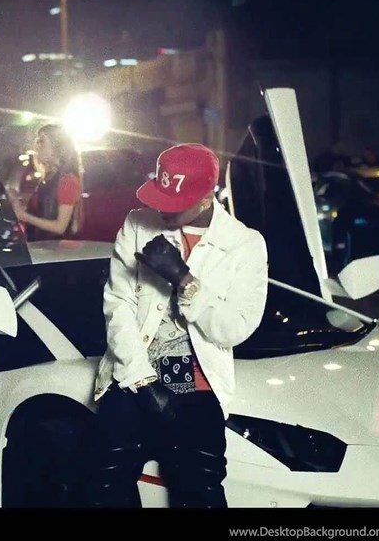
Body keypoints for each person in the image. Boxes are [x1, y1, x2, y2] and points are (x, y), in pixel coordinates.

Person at [82, 143, 269, 508]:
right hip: (134, 372)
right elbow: (118, 306)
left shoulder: (244, 244)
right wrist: (143, 381)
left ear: (205, 199)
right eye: (160, 196)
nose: (162, 209)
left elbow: (235, 328)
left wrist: (185, 280)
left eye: (174, 202)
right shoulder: (137, 224)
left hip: (199, 383)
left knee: (200, 490)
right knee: (103, 483)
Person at [11, 123, 83, 241]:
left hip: (56, 249)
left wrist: (24, 216)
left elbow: (60, 227)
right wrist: (18, 199)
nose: (37, 146)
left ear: (56, 147)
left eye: (41, 141)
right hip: (42, 247)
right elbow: (43, 208)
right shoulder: (49, 177)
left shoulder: (68, 180)